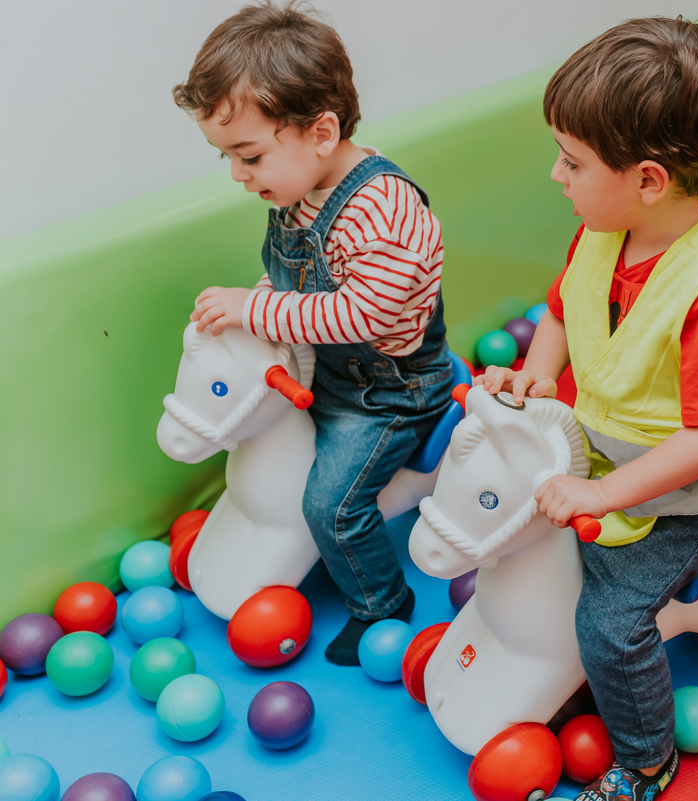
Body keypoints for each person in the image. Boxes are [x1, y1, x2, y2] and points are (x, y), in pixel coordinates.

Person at [477, 17, 698, 801]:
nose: (556, 176)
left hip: (696, 498)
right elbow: (558, 311)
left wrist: (602, 495)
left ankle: (646, 759)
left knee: (608, 622)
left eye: (572, 161)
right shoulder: (604, 229)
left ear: (648, 179)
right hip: (612, 463)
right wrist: (540, 377)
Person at [173, 1, 452, 665]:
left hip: (387, 393)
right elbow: (296, 283)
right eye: (228, 157)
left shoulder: (382, 210)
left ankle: (380, 602)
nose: (240, 175)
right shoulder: (298, 189)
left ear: (321, 132)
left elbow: (361, 315)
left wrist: (255, 309)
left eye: (250, 155)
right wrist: (262, 304)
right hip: (327, 370)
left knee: (330, 504)